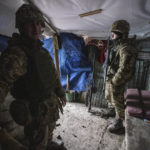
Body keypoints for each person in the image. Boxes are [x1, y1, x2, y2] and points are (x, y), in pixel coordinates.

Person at [0, 4, 66, 150]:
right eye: (30, 24)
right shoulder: (16, 54)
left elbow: (53, 74)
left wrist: (60, 92)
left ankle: (48, 142)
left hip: (49, 108)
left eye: (38, 23)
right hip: (34, 112)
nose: (36, 28)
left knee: (48, 134)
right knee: (37, 143)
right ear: (21, 27)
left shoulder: (41, 50)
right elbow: (1, 84)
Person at [101, 20, 137, 134]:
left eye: (114, 33)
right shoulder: (119, 46)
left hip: (118, 80)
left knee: (118, 100)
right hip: (113, 77)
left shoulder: (126, 48)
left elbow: (125, 69)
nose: (112, 36)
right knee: (111, 97)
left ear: (121, 34)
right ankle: (113, 111)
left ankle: (119, 123)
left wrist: (114, 81)